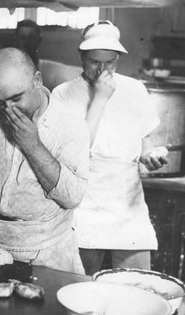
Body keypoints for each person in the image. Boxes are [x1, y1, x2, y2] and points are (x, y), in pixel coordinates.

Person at [0, 47, 89, 273]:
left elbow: (72, 196)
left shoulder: (70, 126)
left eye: (16, 98)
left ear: (37, 80)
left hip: (46, 252)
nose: (9, 109)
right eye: (0, 101)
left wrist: (32, 145)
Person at [52, 20, 169, 275]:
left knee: (136, 285)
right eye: (95, 61)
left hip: (127, 201)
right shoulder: (63, 94)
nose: (102, 70)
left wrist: (150, 154)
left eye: (110, 62)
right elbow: (77, 150)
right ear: (81, 56)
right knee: (80, 284)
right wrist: (101, 97)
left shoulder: (134, 89)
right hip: (84, 202)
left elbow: (144, 139)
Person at [0, 19, 82, 110]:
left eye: (30, 37)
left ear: (38, 40)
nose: (26, 42)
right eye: (22, 38)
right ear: (16, 40)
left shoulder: (48, 68)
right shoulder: (5, 69)